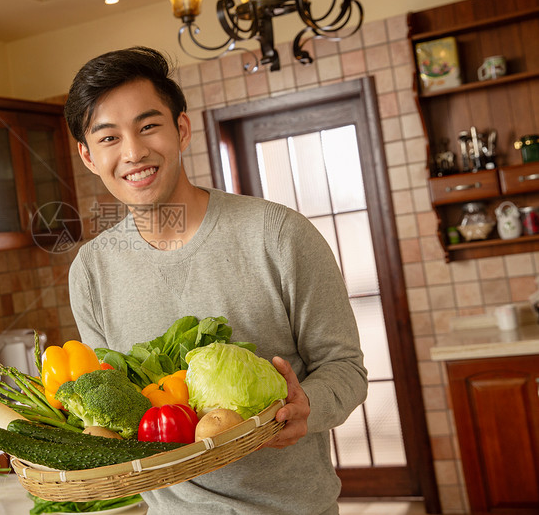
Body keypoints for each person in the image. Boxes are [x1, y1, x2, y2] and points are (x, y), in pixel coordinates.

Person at [64, 46, 368, 515]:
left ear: (181, 129)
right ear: (87, 155)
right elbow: (116, 405)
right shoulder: (90, 271)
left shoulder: (279, 235)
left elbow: (345, 366)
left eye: (148, 126)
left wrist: (309, 404)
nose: (133, 152)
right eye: (108, 138)